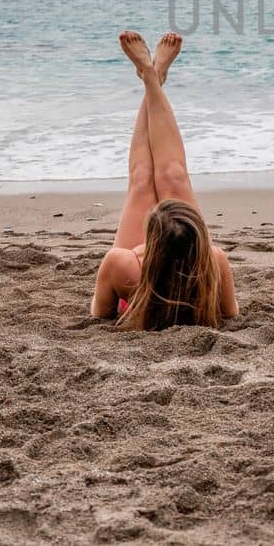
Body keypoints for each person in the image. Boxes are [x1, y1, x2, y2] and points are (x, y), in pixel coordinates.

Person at [90, 31, 239, 329]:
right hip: (171, 264)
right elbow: (231, 314)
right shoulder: (213, 260)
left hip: (140, 280)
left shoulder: (123, 264)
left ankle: (151, 76)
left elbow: (98, 313)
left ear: (151, 239)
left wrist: (131, 278)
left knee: (142, 180)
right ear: (198, 234)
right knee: (173, 176)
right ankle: (153, 79)